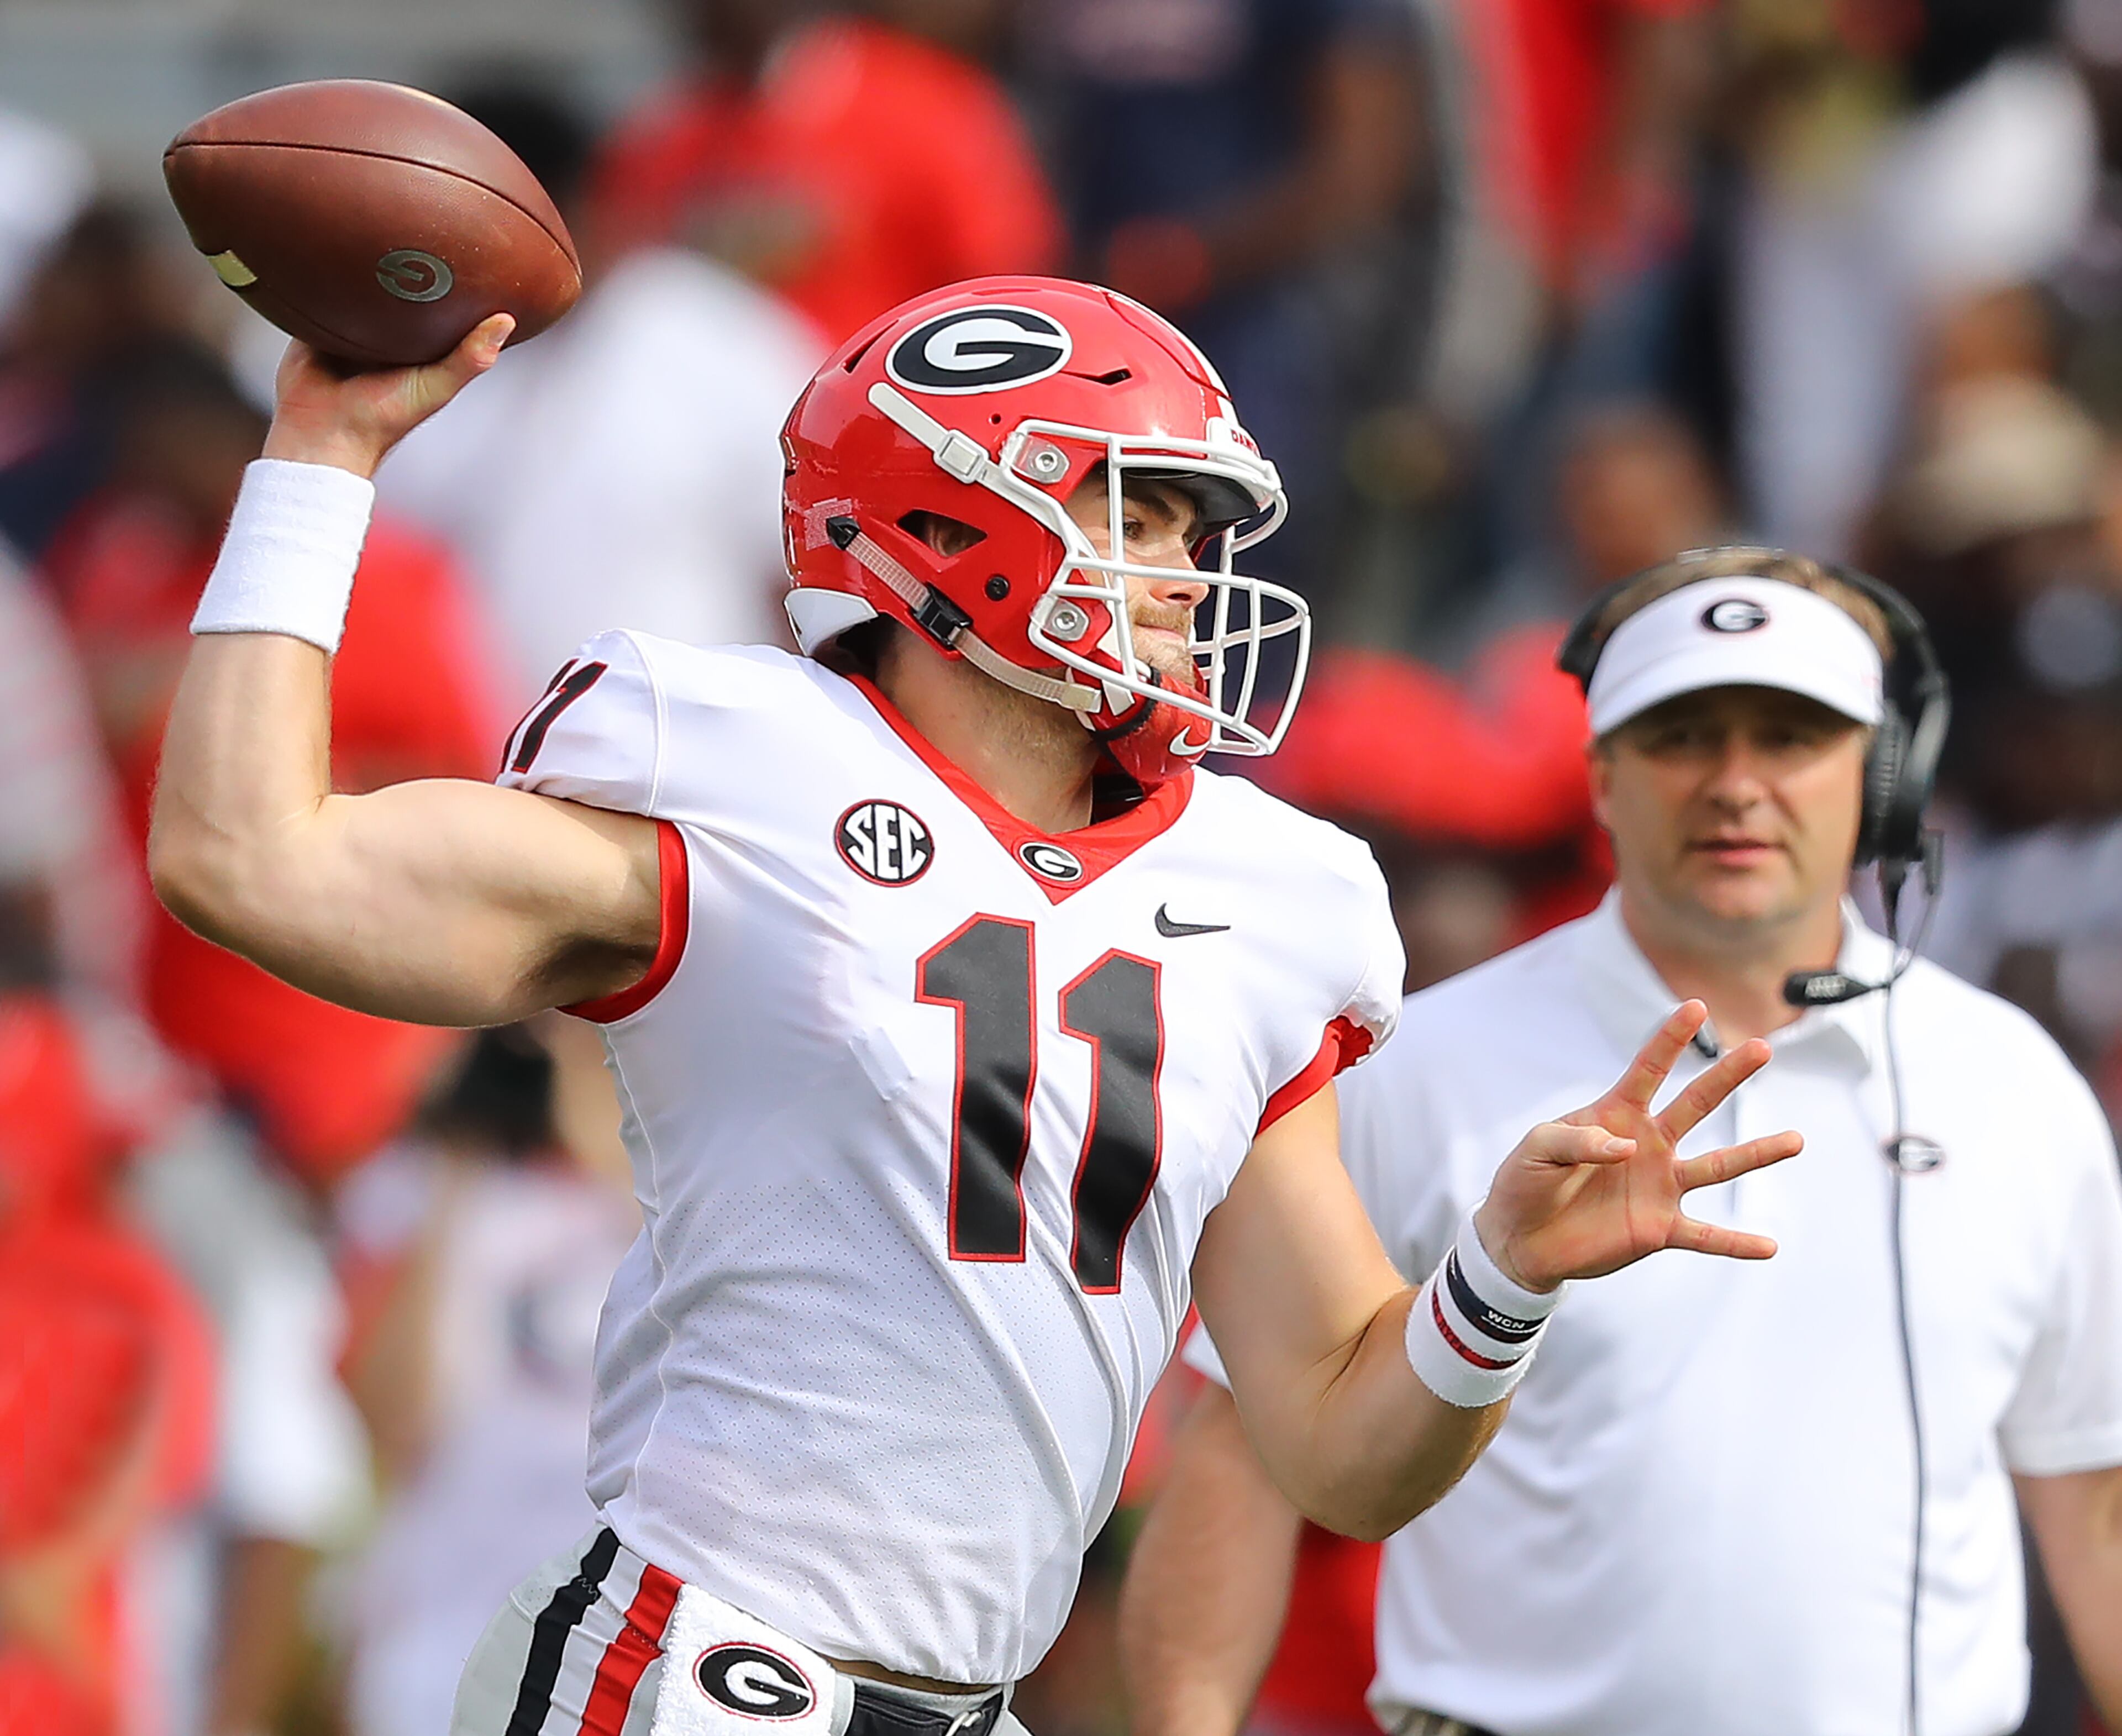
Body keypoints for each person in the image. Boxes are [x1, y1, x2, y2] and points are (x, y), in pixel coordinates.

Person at [147, 276, 1800, 1735]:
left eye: (1198, 531)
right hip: (693, 1662)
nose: (1188, 573)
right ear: (944, 527)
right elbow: (250, 858)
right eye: (1139, 512)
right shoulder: (740, 769)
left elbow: (1342, 1446)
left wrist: (1499, 1280)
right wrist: (322, 459)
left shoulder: (1272, 896)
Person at [1120, 546, 2122, 1736]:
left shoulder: (2014, 1083)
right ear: (1601, 776)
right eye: (1682, 737)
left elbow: (2091, 1494)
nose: (1737, 785)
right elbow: (1237, 1460)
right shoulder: (1411, 1064)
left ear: (1880, 776)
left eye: (1791, 737)